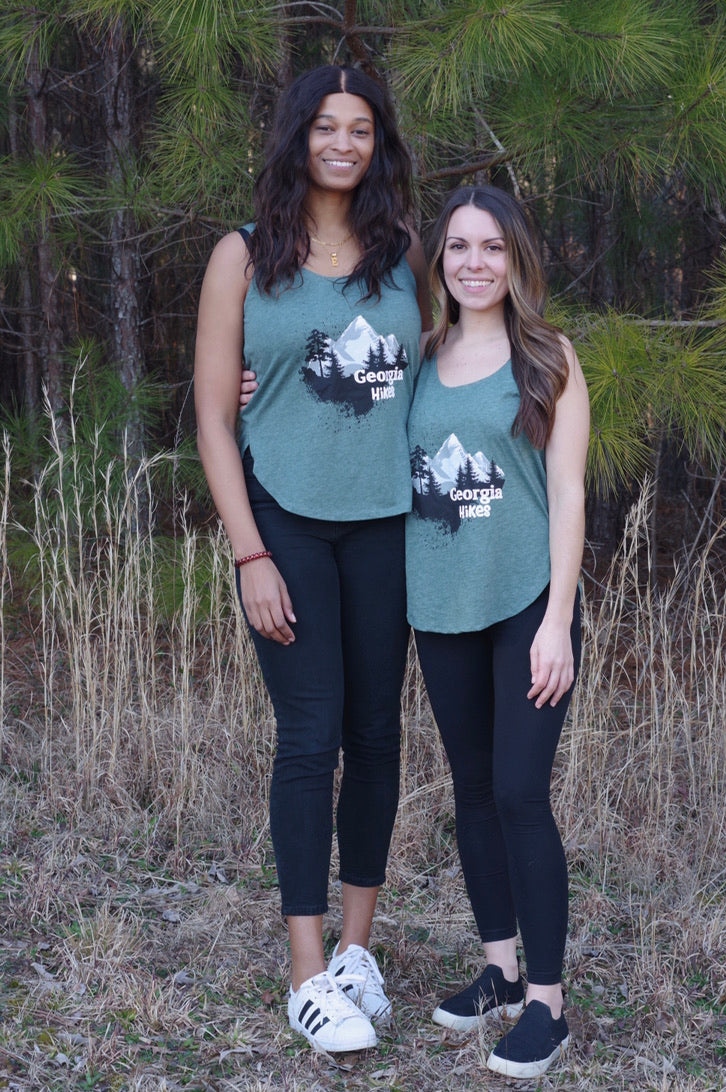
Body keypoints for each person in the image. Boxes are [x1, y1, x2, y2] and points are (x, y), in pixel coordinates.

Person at [194, 64, 430, 1055]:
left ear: (379, 146)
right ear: (299, 138)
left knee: (378, 738)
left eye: (361, 129)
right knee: (310, 736)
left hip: (389, 523)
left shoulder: (406, 254)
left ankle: (356, 954)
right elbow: (212, 415)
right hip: (286, 518)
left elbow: (456, 366)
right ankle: (303, 975)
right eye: (326, 127)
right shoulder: (244, 257)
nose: (342, 144)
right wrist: (249, 550)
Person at [406, 185, 589, 1079]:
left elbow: (567, 492)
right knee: (471, 789)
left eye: (492, 248)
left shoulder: (547, 356)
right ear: (439, 261)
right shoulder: (419, 355)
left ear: (516, 259)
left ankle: (548, 1006)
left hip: (526, 602)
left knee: (520, 791)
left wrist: (556, 619)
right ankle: (501, 970)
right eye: (457, 248)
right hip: (440, 604)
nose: (473, 263)